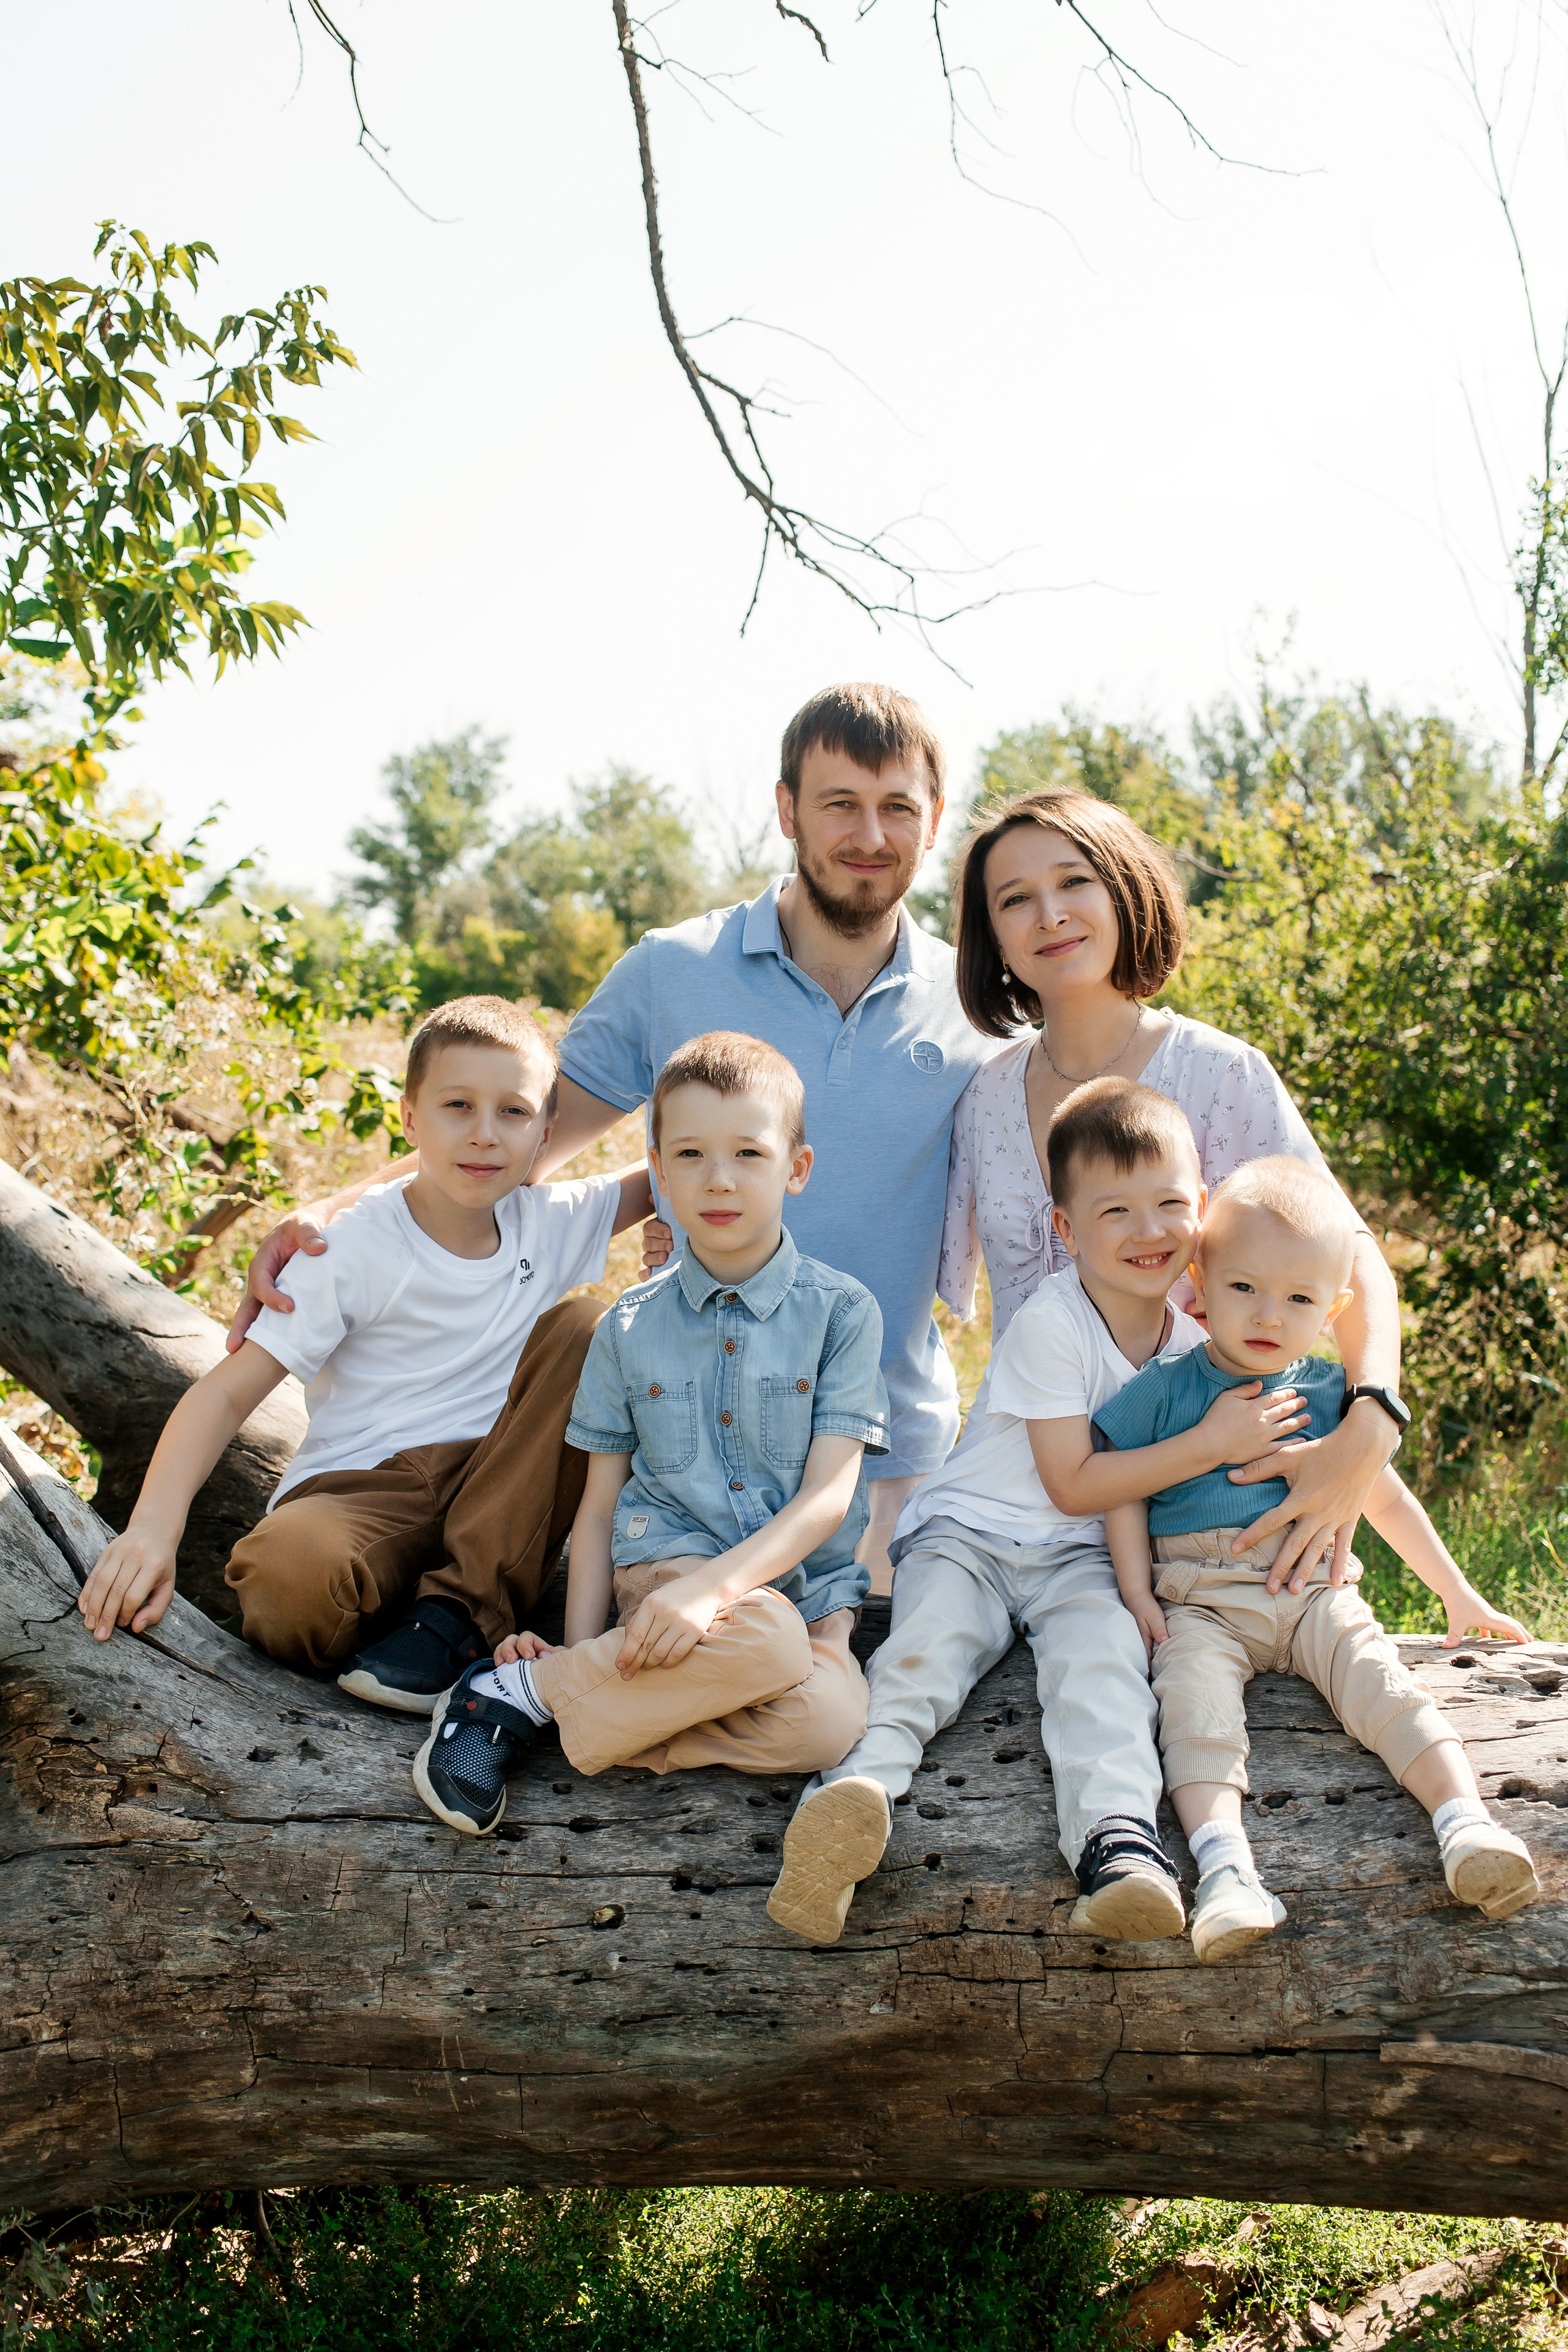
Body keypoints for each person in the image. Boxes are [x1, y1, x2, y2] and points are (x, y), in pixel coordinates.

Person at [226, 685, 995, 1584]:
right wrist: (335, 1206)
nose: (869, 836)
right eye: (839, 805)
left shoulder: (976, 1003)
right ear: (787, 809)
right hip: (681, 1465)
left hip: (886, 1457)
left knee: (854, 1699)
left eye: (897, 807)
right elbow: (514, 1142)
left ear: (935, 820)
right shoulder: (673, 971)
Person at [765, 1079, 1310, 1947]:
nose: (1148, 1231)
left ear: (1202, 1210)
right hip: (971, 1536)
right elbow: (1075, 1481)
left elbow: (1134, 1497)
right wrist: (1211, 1442)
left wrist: (1150, 1589)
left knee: (1105, 1675)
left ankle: (1118, 1844)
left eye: (1171, 1204)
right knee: (923, 1655)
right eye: (1115, 1211)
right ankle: (853, 1797)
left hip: (1085, 1559)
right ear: (1065, 1230)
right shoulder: (1051, 1321)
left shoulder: (1189, 1346)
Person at [76, 996, 654, 1707]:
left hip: (503, 1485)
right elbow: (225, 1393)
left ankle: (460, 1615)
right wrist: (152, 1532)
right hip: (369, 1488)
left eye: (514, 1111)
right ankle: (392, 1611)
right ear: (410, 1118)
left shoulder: (552, 1221)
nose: (484, 1135)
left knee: (589, 1329)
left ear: (547, 1131)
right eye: (457, 1106)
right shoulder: (349, 1245)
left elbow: (678, 1173)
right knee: (286, 1584)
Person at [412, 1032, 888, 1836]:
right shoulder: (630, 1326)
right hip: (667, 1572)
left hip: (799, 1603)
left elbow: (827, 1498)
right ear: (659, 1173)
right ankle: (554, 1689)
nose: (720, 1179)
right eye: (692, 1156)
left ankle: (537, 1699)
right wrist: (600, 1630)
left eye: (748, 1153)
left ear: (796, 1168)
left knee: (829, 1726)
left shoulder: (844, 1313)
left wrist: (699, 1603)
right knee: (765, 1641)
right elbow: (597, 1511)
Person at [938, 787, 1408, 1590]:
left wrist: (1373, 1418)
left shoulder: (1222, 1073)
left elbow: (1350, 1255)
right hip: (1026, 1491)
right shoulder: (982, 1098)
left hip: (1191, 1491)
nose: (1050, 914)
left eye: (1075, 881)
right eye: (1015, 899)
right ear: (993, 941)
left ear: (1125, 890)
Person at [1093, 1153, 1538, 1962]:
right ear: (1202, 1277)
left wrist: (1459, 1597)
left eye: (1299, 1298)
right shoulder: (1166, 1387)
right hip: (1199, 1599)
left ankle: (1465, 1822)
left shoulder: (1333, 1397)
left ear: (1334, 1309)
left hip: (1311, 1593)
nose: (1269, 1313)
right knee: (1194, 1718)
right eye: (1245, 1288)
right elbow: (1120, 1486)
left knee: (1383, 1684)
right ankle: (1227, 1872)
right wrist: (1138, 1593)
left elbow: (1386, 1499)